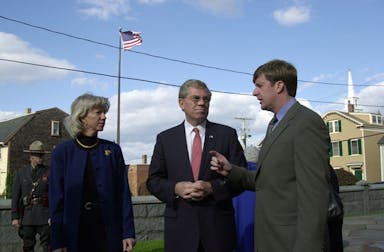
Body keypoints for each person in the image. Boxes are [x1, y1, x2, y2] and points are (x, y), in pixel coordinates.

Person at [210, 59, 331, 252]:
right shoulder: (275, 125)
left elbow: (314, 195)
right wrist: (230, 170)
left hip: (291, 242)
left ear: (279, 86)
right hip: (271, 240)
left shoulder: (306, 123)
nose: (254, 92)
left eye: (259, 86)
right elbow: (266, 182)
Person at [146, 79, 247, 252]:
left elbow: (242, 177)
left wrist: (212, 188)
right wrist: (176, 188)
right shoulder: (165, 139)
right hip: (180, 230)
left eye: (206, 99)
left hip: (218, 230)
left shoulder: (227, 135)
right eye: (196, 98)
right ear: (181, 103)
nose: (202, 103)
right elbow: (154, 180)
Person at [49, 93, 136, 252]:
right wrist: (57, 241)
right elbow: (56, 199)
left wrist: (128, 232)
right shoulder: (62, 152)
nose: (104, 117)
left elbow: (123, 194)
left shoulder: (113, 150)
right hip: (74, 233)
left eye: (105, 113)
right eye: (98, 112)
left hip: (108, 232)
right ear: (82, 117)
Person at [11, 140, 50, 252]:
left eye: (42, 155)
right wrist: (15, 217)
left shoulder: (49, 172)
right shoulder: (21, 172)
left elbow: (53, 195)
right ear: (31, 156)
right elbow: (15, 196)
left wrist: (53, 215)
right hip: (27, 215)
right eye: (38, 155)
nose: (41, 157)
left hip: (44, 215)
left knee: (47, 246)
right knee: (28, 246)